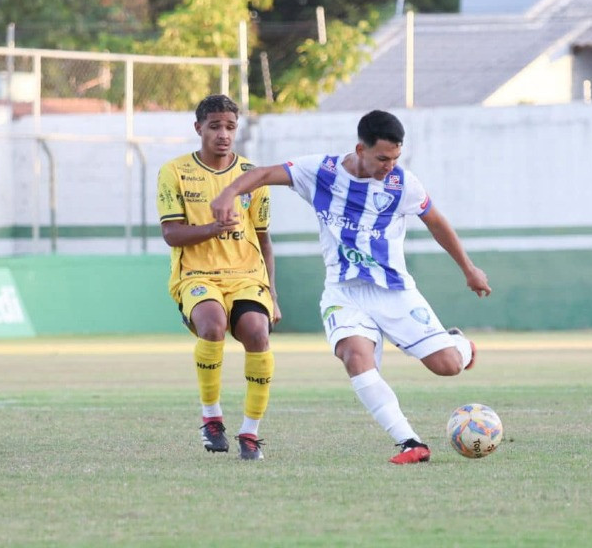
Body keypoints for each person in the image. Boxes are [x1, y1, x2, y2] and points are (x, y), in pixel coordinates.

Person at [210, 109, 491, 464]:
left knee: (447, 365)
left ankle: (460, 345)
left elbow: (436, 222)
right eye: (383, 158)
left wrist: (469, 269)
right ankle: (410, 443)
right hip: (344, 292)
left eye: (396, 158)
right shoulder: (322, 172)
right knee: (354, 357)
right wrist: (227, 194)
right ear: (361, 149)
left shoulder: (402, 184)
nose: (390, 165)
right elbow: (264, 173)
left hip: (393, 292)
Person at [156, 94, 280, 461]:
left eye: (230, 127)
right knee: (212, 325)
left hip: (246, 275)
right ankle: (211, 418)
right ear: (199, 129)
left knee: (257, 332)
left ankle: (250, 433)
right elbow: (171, 235)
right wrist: (214, 228)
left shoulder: (252, 176)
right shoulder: (174, 172)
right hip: (197, 273)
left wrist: (272, 294)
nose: (223, 135)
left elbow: (264, 239)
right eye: (215, 127)